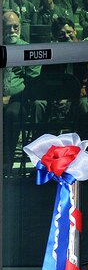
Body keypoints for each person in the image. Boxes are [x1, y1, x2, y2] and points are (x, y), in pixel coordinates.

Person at [2, 10, 40, 175]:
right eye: (7, 27)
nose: (12, 31)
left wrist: (12, 96)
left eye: (15, 27)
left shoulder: (27, 50)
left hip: (18, 100)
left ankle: (6, 165)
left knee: (12, 114)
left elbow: (34, 81)